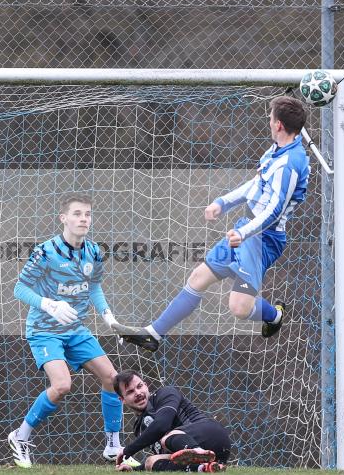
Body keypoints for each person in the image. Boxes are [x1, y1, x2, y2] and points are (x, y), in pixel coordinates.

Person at [112, 96, 311, 351]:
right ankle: (154, 334)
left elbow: (274, 211)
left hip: (262, 239)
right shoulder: (275, 150)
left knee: (238, 308)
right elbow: (257, 185)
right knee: (198, 277)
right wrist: (223, 202)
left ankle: (274, 316)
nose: (269, 121)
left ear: (279, 125)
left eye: (271, 118)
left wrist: (244, 231)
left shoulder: (290, 164)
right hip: (246, 229)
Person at [8, 194, 125, 467]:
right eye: (77, 214)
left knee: (112, 378)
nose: (83, 218)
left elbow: (94, 287)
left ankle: (113, 444)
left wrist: (110, 318)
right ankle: (20, 436)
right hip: (44, 330)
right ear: (64, 218)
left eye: (87, 214)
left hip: (76, 330)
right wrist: (48, 304)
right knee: (62, 385)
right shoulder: (45, 251)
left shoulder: (94, 251)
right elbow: (19, 289)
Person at [112, 370, 231, 473]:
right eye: (130, 392)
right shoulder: (139, 428)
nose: (138, 393)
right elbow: (168, 454)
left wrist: (127, 451)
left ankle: (199, 452)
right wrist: (133, 469)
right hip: (211, 455)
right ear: (122, 400)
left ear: (146, 386)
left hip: (212, 435)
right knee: (151, 461)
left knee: (167, 437)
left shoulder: (165, 393)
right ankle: (204, 468)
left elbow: (161, 425)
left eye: (139, 386)